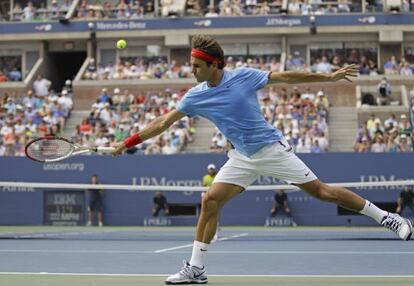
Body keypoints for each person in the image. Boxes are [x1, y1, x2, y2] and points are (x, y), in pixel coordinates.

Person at [112, 35, 412, 285]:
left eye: (196, 66)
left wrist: (327, 76)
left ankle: (387, 218)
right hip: (242, 157)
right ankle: (196, 268)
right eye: (192, 66)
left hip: (271, 149)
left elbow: (285, 77)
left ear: (215, 65)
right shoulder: (194, 96)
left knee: (322, 192)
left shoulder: (243, 75)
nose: (192, 71)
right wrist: (127, 143)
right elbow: (164, 122)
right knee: (210, 201)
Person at [202, 164, 219, 241]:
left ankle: (215, 233)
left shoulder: (217, 177)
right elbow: (203, 188)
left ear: (214, 170)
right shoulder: (205, 178)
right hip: (208, 199)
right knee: (206, 216)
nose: (211, 170)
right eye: (210, 169)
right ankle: (205, 233)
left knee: (214, 215)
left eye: (212, 169)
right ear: (208, 170)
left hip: (216, 199)